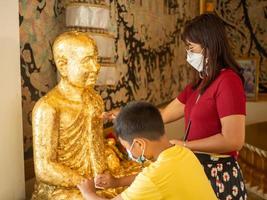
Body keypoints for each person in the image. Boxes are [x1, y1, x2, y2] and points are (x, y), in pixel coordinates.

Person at [105, 13, 247, 200]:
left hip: (217, 173)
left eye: (191, 48)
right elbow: (162, 115)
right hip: (194, 166)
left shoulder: (228, 81)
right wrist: (125, 115)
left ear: (209, 46)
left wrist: (186, 145)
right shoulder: (198, 85)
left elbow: (234, 140)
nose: (188, 54)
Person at [78, 102, 217, 200]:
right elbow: (154, 177)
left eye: (127, 147)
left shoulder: (153, 177)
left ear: (139, 144)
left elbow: (152, 179)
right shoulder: (183, 152)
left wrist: (88, 192)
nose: (129, 152)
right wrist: (117, 182)